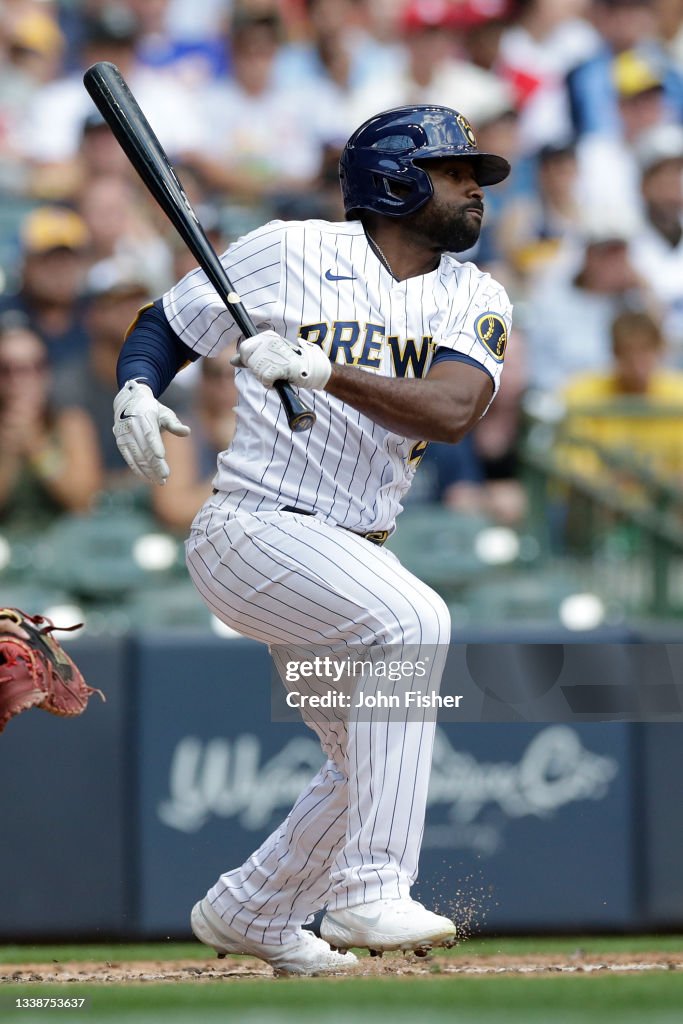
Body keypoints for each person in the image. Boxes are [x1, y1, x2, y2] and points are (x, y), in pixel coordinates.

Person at [111, 105, 512, 976]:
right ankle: (370, 887)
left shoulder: (476, 295)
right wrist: (137, 390)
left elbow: (451, 412)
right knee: (414, 623)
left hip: (352, 555)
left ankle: (252, 908)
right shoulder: (288, 250)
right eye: (454, 171)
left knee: (357, 760)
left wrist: (322, 370)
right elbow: (166, 327)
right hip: (254, 531)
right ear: (395, 179)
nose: (475, 186)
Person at [0, 315, 102, 533]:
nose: (20, 380)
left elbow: (84, 501)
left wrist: (37, 447)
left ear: (47, 372)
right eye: (7, 370)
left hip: (61, 545)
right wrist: (9, 453)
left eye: (33, 367)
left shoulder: (70, 422)